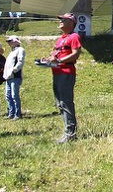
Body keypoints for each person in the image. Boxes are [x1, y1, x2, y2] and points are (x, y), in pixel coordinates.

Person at [42, 13, 82, 143]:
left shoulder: (74, 37)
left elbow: (76, 54)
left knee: (66, 102)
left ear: (71, 23)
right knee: (60, 103)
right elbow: (55, 56)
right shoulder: (60, 39)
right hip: (57, 73)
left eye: (63, 20)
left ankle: (71, 133)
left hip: (66, 72)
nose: (60, 21)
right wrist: (48, 60)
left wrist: (58, 60)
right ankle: (68, 131)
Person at [3, 35, 26, 119]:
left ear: (15, 41)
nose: (9, 43)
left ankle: (17, 114)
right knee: (8, 95)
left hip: (15, 76)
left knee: (14, 95)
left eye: (10, 41)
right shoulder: (11, 52)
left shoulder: (20, 50)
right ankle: (11, 113)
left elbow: (20, 62)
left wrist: (14, 70)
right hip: (8, 77)